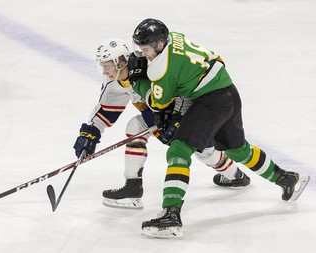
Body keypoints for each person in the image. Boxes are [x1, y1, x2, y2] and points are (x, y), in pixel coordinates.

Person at [129, 18, 310, 238]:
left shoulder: (161, 67)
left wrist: (139, 81)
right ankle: (287, 178)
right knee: (237, 149)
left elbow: (159, 103)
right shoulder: (175, 36)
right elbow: (216, 60)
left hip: (211, 102)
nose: (143, 53)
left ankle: (170, 214)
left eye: (146, 49)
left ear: (158, 44)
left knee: (179, 150)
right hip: (228, 91)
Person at [72, 38, 250, 210]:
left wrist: (177, 117)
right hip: (156, 119)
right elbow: (106, 110)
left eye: (107, 66)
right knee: (135, 127)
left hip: (186, 114)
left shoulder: (151, 68)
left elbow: (181, 91)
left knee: (206, 153)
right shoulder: (115, 81)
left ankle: (235, 176)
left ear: (120, 63)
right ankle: (133, 187)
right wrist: (90, 133)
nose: (104, 72)